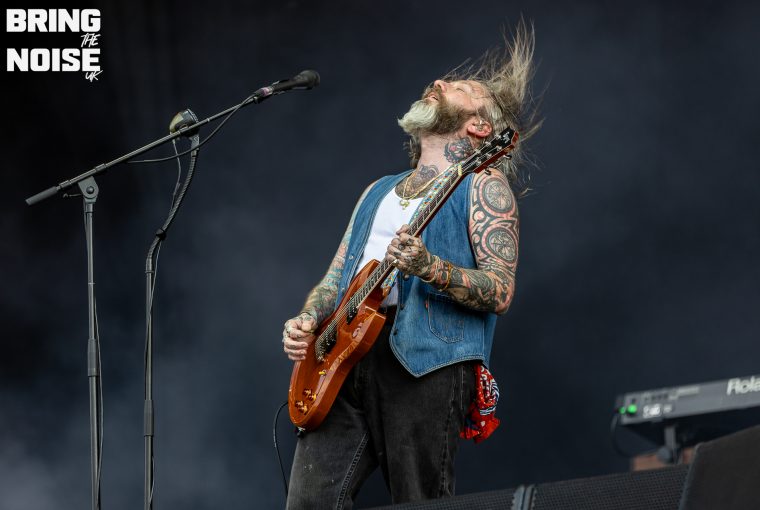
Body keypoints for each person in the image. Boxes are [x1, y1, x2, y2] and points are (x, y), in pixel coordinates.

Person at [281, 22, 540, 509]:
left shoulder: (483, 185)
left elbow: (500, 290)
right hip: (342, 361)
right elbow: (337, 276)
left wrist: (429, 266)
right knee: (308, 503)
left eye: (461, 88)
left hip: (425, 359)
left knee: (419, 501)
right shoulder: (376, 190)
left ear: (480, 127)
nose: (439, 82)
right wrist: (309, 319)